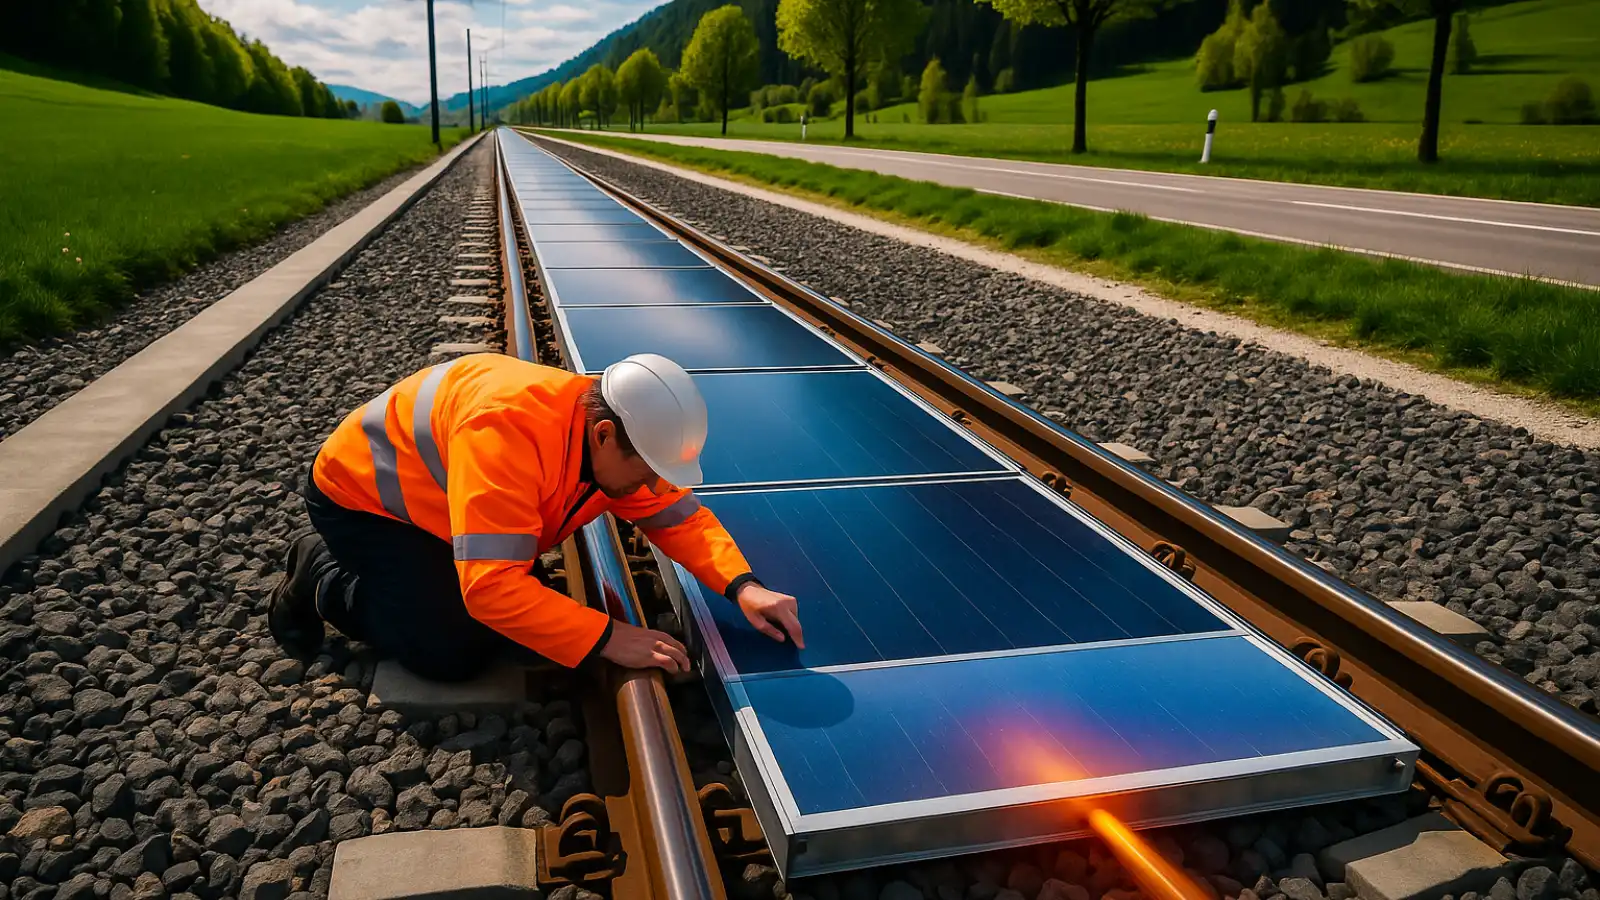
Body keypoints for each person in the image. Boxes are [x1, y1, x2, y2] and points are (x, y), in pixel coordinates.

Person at [268, 352, 803, 681]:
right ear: (604, 435)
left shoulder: (619, 440)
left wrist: (743, 586)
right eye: (647, 471)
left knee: (523, 618)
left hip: (441, 505)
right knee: (449, 653)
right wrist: (607, 637)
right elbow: (490, 589)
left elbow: (676, 518)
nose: (651, 485)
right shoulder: (509, 434)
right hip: (364, 501)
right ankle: (321, 574)